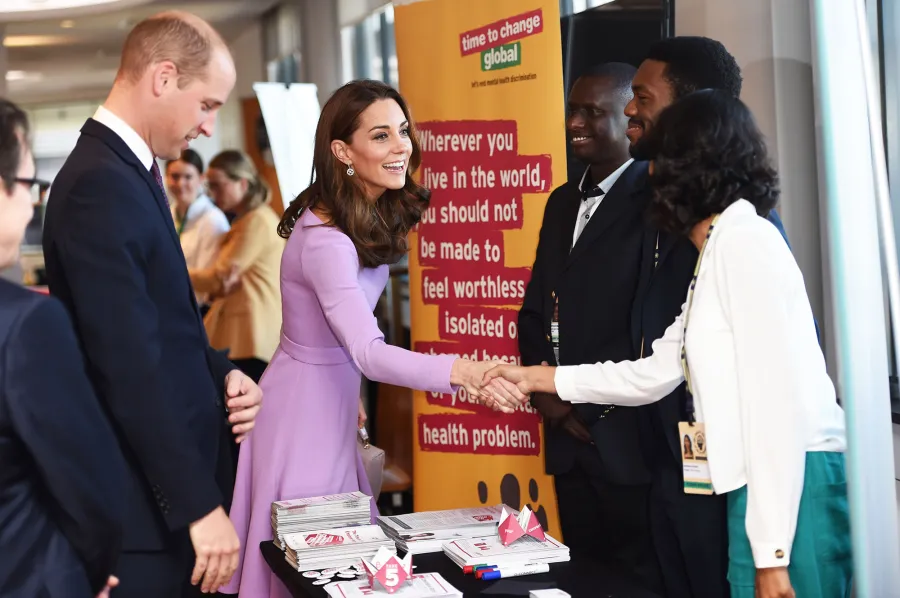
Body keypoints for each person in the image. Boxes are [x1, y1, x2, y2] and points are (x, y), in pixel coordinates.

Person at [484, 90, 851, 598]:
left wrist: (772, 555)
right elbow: (652, 372)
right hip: (760, 486)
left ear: (689, 167)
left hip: (791, 486)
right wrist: (536, 377)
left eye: (657, 160)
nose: (648, 177)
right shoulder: (716, 248)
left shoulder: (745, 243)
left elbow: (774, 407)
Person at [223, 79, 522, 598]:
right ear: (343, 151)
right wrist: (465, 373)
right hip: (303, 422)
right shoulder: (327, 241)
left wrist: (349, 389)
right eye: (381, 136)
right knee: (320, 572)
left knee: (339, 567)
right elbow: (367, 350)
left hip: (327, 402)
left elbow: (334, 336)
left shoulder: (352, 213)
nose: (400, 146)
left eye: (402, 131)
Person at [41, 12, 263, 597]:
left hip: (164, 502)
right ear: (164, 78)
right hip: (148, 513)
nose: (209, 127)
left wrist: (223, 373)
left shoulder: (129, 169)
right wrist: (198, 505)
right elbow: (127, 365)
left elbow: (164, 322)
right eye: (207, 105)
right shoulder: (99, 183)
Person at [517, 62, 662, 591]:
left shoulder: (656, 200)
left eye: (591, 112)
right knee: (582, 577)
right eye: (572, 110)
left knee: (639, 582)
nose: (574, 123)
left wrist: (588, 405)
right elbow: (535, 311)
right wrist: (549, 397)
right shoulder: (561, 201)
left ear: (629, 119)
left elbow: (648, 323)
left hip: (625, 436)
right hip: (566, 437)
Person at [0, 99, 125, 598]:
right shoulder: (27, 324)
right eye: (29, 184)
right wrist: (87, 573)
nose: (33, 204)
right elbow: (90, 485)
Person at [190, 149, 284, 384]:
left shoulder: (257, 221)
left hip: (251, 335)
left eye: (218, 185)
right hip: (243, 332)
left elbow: (219, 277)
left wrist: (178, 271)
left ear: (242, 183)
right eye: (210, 186)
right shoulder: (249, 220)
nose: (213, 193)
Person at [165, 148, 230, 312]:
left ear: (201, 179)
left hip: (200, 310)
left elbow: (209, 281)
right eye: (175, 176)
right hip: (171, 306)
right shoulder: (167, 215)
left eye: (188, 177)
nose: (180, 184)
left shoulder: (213, 220)